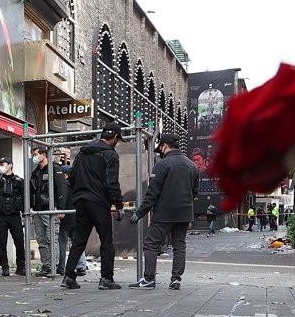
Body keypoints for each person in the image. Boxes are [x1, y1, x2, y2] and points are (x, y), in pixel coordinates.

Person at [129, 133, 200, 290]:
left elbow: (152, 194)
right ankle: (176, 279)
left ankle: (148, 279)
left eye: (160, 147)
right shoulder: (191, 165)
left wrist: (139, 213)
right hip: (184, 213)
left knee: (151, 243)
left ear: (165, 146)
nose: (159, 150)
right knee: (179, 245)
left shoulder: (162, 165)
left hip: (164, 213)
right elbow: (195, 191)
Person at [60, 122, 126, 290]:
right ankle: (106, 278)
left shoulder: (82, 153)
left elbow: (72, 178)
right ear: (116, 137)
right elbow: (112, 182)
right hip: (99, 202)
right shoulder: (110, 155)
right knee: (106, 240)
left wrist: (80, 193)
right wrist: (119, 204)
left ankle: (68, 276)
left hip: (82, 201)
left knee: (79, 240)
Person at [0, 157, 26, 276]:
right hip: (1, 215)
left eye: (3, 164)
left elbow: (25, 198)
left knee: (19, 241)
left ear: (10, 165)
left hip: (15, 214)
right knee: (2, 242)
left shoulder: (19, 181)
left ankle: (21, 266)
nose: (1, 166)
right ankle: (4, 266)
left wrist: (27, 214)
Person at [29, 146, 61, 277]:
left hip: (50, 209)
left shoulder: (54, 169)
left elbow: (61, 189)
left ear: (43, 155)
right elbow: (32, 192)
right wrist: (31, 211)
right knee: (41, 239)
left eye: (36, 154)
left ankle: (54, 265)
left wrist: (61, 208)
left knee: (51, 238)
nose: (34, 157)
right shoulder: (35, 172)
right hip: (38, 210)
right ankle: (46, 265)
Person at [55, 157, 88, 277]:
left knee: (62, 243)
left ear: (65, 175)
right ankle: (81, 266)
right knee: (78, 243)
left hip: (65, 219)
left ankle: (61, 267)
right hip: (77, 217)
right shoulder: (79, 185)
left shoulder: (63, 187)